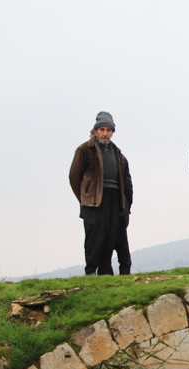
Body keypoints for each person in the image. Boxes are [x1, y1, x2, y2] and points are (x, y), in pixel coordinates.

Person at [69, 111, 133, 275]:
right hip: (94, 201)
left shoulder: (117, 153)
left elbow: (125, 182)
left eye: (108, 130)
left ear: (112, 132)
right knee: (94, 237)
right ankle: (90, 272)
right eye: (102, 129)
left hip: (113, 198)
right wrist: (85, 197)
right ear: (96, 131)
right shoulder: (84, 150)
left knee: (110, 236)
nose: (105, 133)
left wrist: (125, 205)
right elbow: (74, 177)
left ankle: (105, 273)